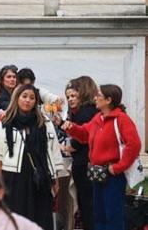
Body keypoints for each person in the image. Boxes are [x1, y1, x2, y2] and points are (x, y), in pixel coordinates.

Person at [63, 84, 142, 230]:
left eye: (98, 95)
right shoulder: (98, 118)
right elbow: (84, 134)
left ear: (108, 100)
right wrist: (71, 127)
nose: (95, 98)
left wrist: (118, 167)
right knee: (99, 215)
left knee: (113, 216)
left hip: (113, 175)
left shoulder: (121, 119)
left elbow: (134, 145)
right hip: (97, 174)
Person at [0, 84, 65, 230]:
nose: (28, 100)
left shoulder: (44, 122)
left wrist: (55, 179)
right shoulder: (6, 122)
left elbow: (53, 150)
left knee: (40, 218)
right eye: (24, 96)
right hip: (13, 178)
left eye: (32, 98)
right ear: (17, 98)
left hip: (40, 177)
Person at [61, 76, 98, 230]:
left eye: (73, 95)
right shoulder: (90, 111)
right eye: (68, 96)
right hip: (88, 163)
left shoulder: (84, 113)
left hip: (84, 163)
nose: (70, 99)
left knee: (87, 204)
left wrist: (65, 147)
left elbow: (81, 139)